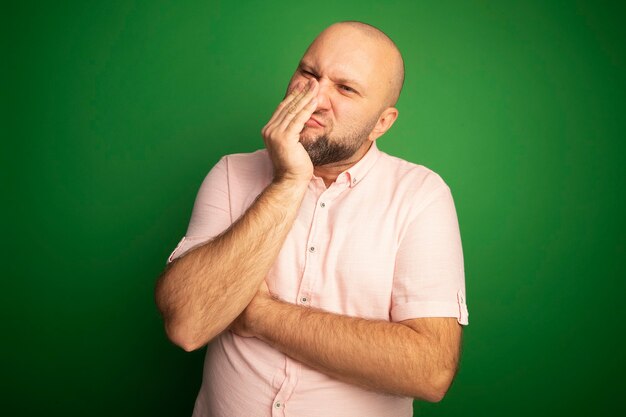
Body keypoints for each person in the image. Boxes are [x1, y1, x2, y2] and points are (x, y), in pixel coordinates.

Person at [155, 20, 469, 417]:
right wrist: (289, 181)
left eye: (345, 88)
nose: (315, 98)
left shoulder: (420, 195)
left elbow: (430, 370)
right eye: (309, 73)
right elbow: (186, 324)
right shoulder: (232, 173)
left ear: (382, 123)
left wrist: (259, 314)